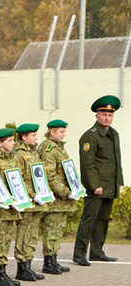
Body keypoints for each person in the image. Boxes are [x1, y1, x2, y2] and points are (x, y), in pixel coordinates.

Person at [74, 95, 124, 264]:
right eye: (103, 114)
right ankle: (79, 254)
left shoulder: (113, 134)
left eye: (110, 115)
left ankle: (97, 251)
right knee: (89, 220)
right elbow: (88, 164)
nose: (107, 118)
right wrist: (94, 185)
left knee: (102, 220)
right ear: (97, 115)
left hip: (110, 185)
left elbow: (116, 159)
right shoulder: (90, 136)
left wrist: (119, 180)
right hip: (98, 186)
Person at [37, 119, 77, 274]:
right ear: (52, 132)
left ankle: (54, 259)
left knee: (58, 229)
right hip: (55, 197)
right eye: (61, 131)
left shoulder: (59, 148)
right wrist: (66, 192)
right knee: (52, 230)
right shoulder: (49, 149)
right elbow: (50, 176)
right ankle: (48, 262)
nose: (63, 134)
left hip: (62, 199)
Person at [0, 127, 24, 286]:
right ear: (0, 143)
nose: (13, 143)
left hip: (12, 207)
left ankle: (3, 272)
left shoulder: (10, 159)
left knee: (6, 240)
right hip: (1, 208)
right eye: (9, 141)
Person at [13, 123, 47, 282]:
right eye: (33, 135)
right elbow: (17, 179)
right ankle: (22, 267)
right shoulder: (19, 154)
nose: (36, 138)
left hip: (37, 200)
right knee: (24, 234)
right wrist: (32, 195)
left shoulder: (34, 153)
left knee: (32, 234)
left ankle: (28, 264)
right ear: (24, 137)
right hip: (27, 200)